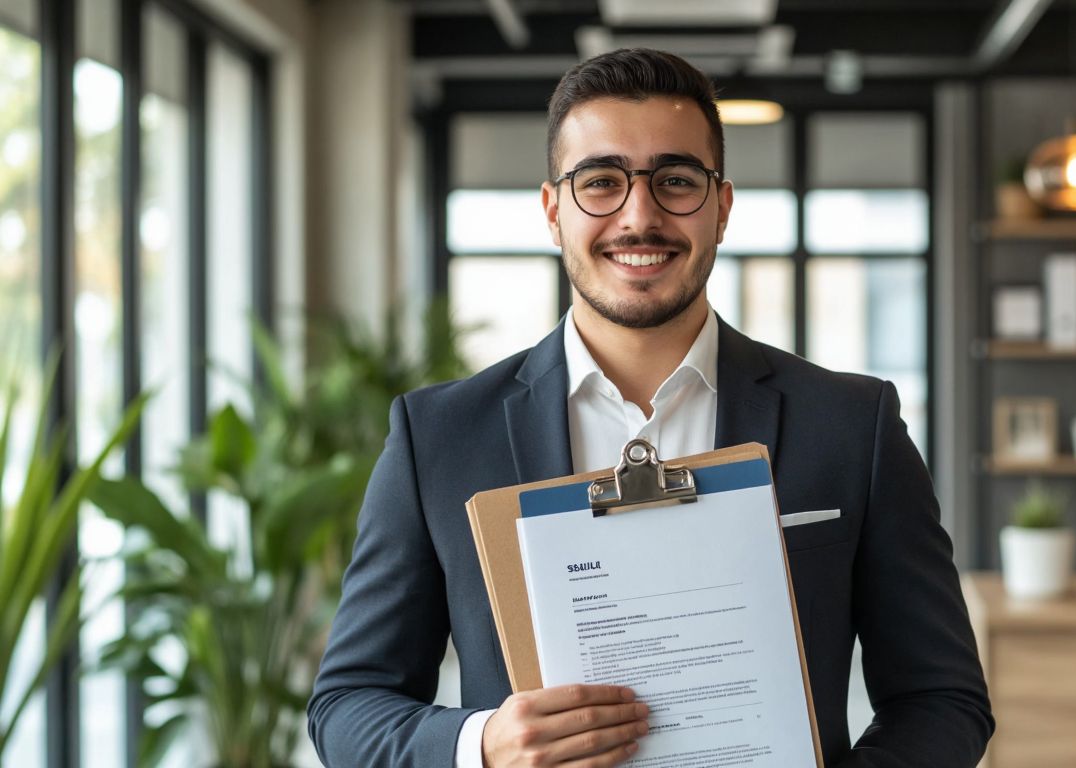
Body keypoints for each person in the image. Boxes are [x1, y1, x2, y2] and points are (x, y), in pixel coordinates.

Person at [308, 48, 993, 768]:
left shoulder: (856, 426)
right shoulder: (439, 437)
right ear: (553, 211)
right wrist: (483, 745)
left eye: (676, 180)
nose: (640, 216)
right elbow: (349, 704)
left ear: (722, 208)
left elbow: (943, 699)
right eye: (600, 181)